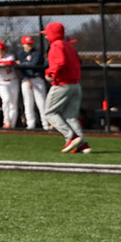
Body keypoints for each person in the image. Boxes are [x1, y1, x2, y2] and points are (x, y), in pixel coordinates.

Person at [42, 21, 89, 153]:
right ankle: (83, 144)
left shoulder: (56, 45)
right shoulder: (68, 46)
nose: (46, 37)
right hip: (75, 84)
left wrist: (50, 73)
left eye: (47, 34)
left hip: (62, 84)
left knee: (49, 113)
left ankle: (70, 136)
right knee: (70, 116)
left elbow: (60, 62)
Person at [15, 35, 47, 130]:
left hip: (37, 79)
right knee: (28, 103)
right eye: (27, 44)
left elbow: (34, 64)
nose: (29, 45)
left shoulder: (37, 53)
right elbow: (19, 69)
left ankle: (45, 125)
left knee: (41, 102)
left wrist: (22, 64)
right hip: (26, 80)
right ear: (23, 44)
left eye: (30, 43)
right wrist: (26, 76)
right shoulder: (20, 54)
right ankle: (30, 125)